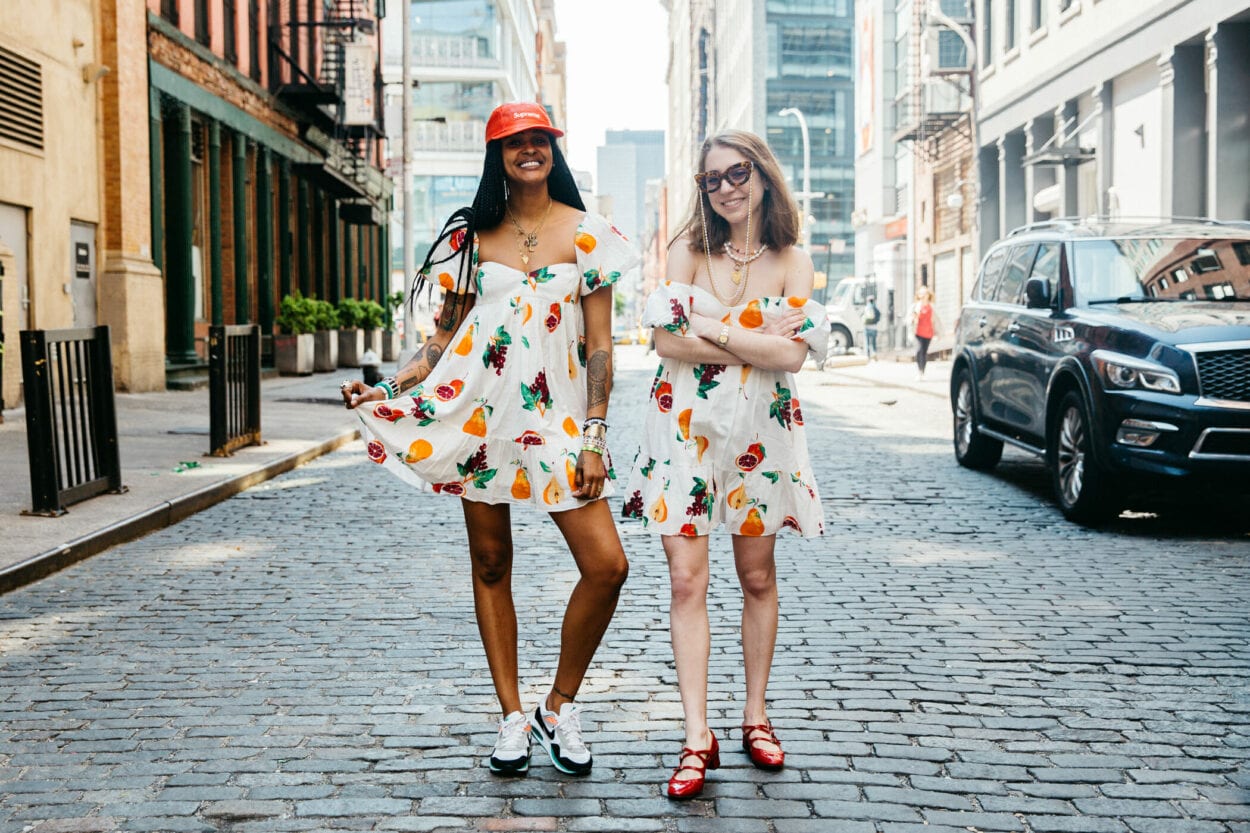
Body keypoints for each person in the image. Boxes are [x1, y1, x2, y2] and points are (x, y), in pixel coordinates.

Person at [341, 102, 639, 778]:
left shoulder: (588, 235)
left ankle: (558, 705)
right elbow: (441, 341)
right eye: (515, 141)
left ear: (553, 151)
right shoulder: (473, 239)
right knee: (491, 562)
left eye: (539, 140)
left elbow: (600, 349)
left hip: (560, 422)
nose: (528, 151)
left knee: (608, 565)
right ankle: (511, 714)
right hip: (481, 419)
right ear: (496, 153)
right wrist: (388, 391)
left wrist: (594, 435)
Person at [621, 130, 828, 799]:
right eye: (712, 179)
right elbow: (661, 339)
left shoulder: (793, 259)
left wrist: (708, 330)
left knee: (757, 572)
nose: (726, 187)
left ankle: (755, 714)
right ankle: (695, 734)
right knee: (686, 578)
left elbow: (793, 357)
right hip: (682, 425)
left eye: (737, 172)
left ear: (764, 175)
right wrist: (749, 340)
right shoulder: (687, 248)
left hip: (760, 431)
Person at [908, 286, 938, 379]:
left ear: (928, 295)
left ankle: (923, 371)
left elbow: (935, 320)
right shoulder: (916, 306)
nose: (923, 295)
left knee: (924, 352)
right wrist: (913, 318)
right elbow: (910, 317)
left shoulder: (931, 306)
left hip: (928, 333)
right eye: (921, 293)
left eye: (924, 293)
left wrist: (936, 332)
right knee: (919, 350)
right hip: (918, 332)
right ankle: (920, 371)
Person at [862, 294, 881, 361]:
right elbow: (879, 317)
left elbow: (862, 317)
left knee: (867, 343)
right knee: (873, 343)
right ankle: (874, 354)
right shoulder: (875, 309)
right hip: (874, 328)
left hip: (867, 328)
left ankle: (868, 357)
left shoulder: (866, 308)